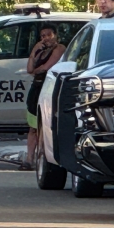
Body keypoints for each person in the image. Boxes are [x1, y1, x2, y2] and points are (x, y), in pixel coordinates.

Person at [24, 21, 65, 168]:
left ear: (55, 35)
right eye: (43, 36)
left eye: (49, 35)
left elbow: (47, 68)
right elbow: (30, 69)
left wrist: (36, 70)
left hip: (47, 87)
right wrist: (34, 51)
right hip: (35, 89)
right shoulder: (41, 50)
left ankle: (43, 159)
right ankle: (29, 159)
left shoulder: (59, 49)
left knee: (43, 126)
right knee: (33, 127)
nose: (46, 38)